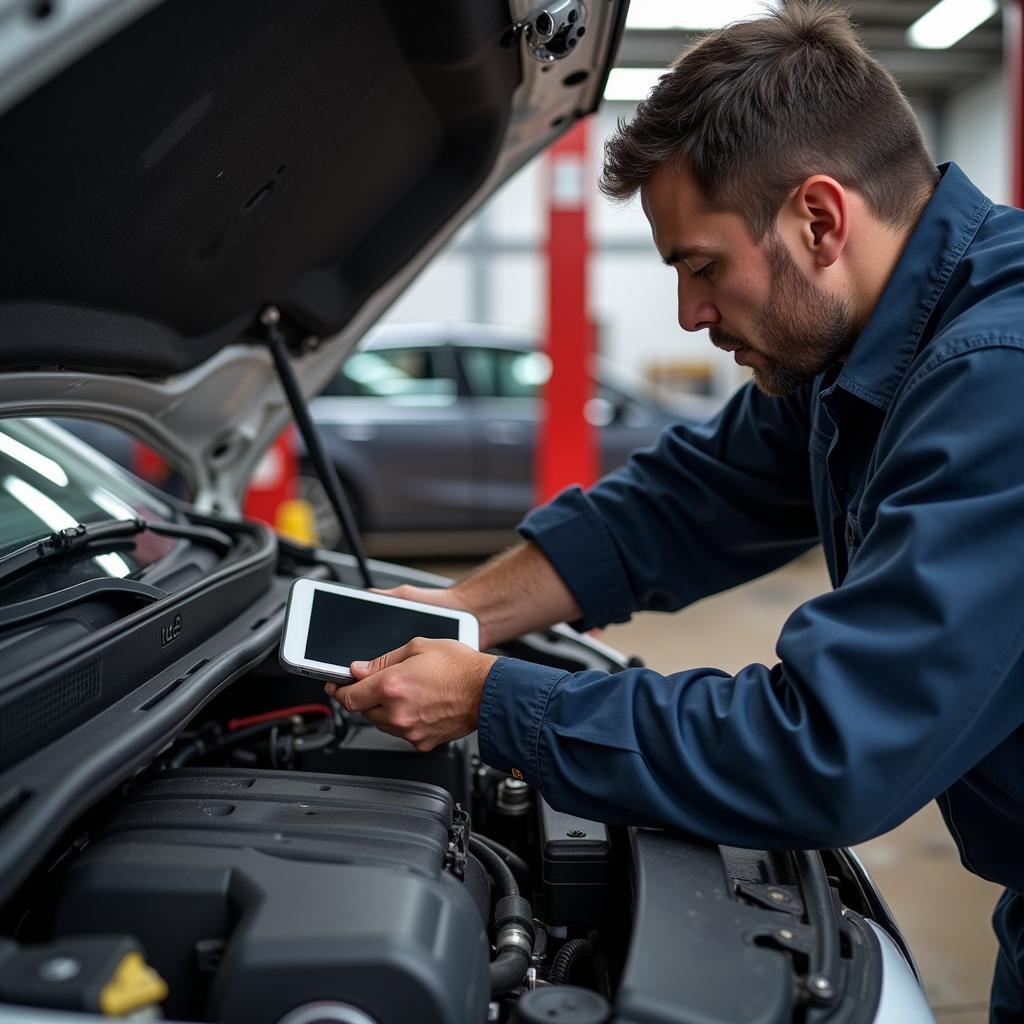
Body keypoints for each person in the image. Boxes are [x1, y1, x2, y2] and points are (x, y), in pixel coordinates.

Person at [323, 2, 1024, 1016]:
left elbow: (829, 746)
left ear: (819, 220)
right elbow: (686, 499)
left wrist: (496, 698)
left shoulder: (995, 377)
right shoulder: (867, 341)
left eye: (701, 267)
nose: (691, 314)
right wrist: (460, 617)